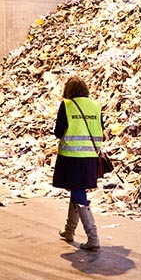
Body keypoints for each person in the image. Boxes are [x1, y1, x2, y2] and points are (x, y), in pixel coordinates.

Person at [53, 76, 103, 251]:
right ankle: (69, 231)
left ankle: (93, 237)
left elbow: (58, 132)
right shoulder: (95, 106)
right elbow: (101, 129)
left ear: (68, 90)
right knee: (77, 189)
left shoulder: (66, 106)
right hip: (90, 156)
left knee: (78, 191)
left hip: (71, 156)